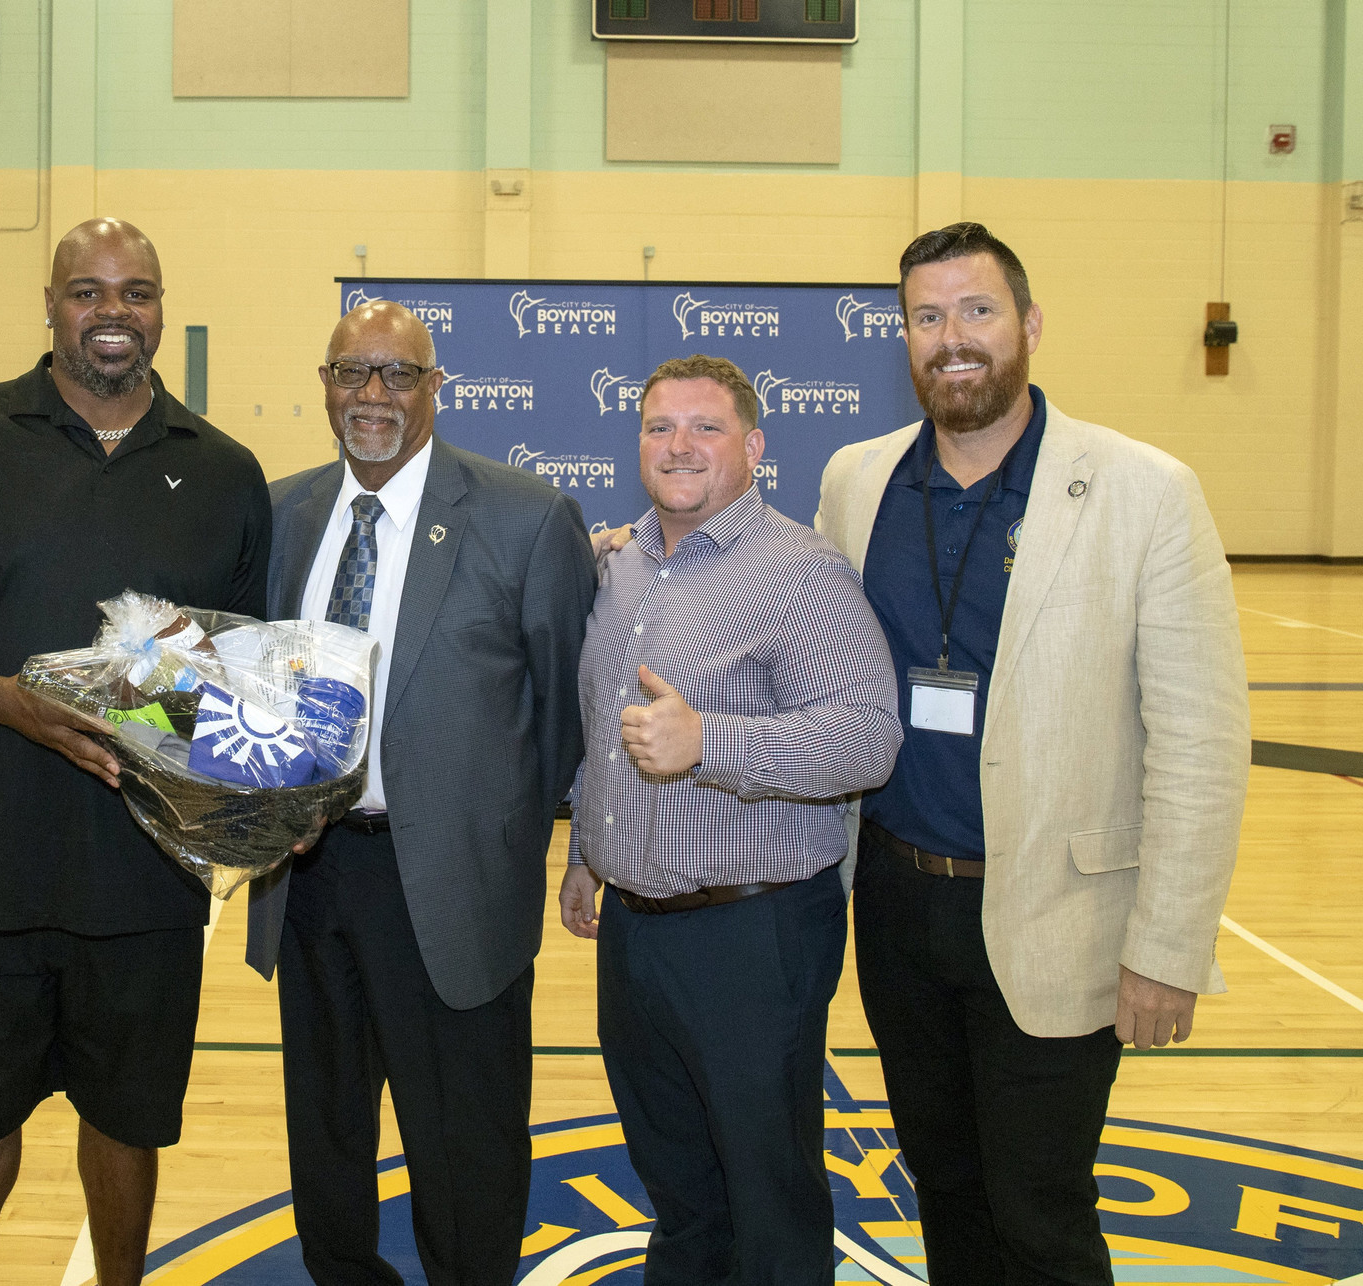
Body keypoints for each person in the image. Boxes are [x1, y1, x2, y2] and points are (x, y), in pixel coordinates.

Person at [0, 218, 271, 1286]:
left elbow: (243, 677)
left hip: (147, 876)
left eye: (134, 291)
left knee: (128, 1123)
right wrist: (0, 701)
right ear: (49, 303)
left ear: (161, 307)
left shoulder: (224, 471)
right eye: (87, 290)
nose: (110, 311)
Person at [815, 222, 1250, 1283]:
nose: (950, 337)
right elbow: (800, 657)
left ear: (1028, 325)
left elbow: (1199, 740)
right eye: (925, 317)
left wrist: (1166, 945)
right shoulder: (855, 481)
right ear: (902, 339)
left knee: (1039, 1209)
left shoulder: (1144, 489)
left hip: (1061, 915)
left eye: (975, 311)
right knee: (946, 1188)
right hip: (897, 906)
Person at [247, 300, 597, 1286]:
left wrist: (491, 839)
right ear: (323, 383)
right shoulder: (281, 513)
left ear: (435, 387)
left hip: (449, 885)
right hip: (306, 875)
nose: (372, 395)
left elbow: (561, 708)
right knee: (324, 1128)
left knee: (466, 1144)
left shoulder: (526, 516)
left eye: (397, 375)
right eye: (351, 372)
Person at [559, 355, 899, 1283]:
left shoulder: (801, 574)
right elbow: (604, 729)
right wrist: (589, 849)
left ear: (752, 446)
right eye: (660, 427)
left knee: (768, 1202)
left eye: (705, 428)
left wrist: (712, 741)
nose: (679, 446)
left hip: (755, 934)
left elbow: (868, 740)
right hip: (634, 934)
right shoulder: (625, 567)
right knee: (678, 1194)